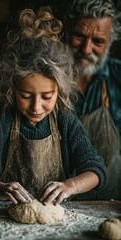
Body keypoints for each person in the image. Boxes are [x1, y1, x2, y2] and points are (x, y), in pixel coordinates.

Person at [0, 7, 107, 205]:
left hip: (56, 225)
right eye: (25, 96)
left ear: (59, 92)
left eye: (47, 96)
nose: (36, 107)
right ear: (13, 88)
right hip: (4, 220)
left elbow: (96, 170)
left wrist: (69, 186)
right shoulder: (2, 122)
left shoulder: (65, 121)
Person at [64, 0, 121, 199]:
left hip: (109, 203)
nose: (86, 49)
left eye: (98, 41)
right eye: (79, 36)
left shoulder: (118, 77)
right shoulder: (47, 77)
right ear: (67, 31)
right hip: (55, 202)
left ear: (111, 42)